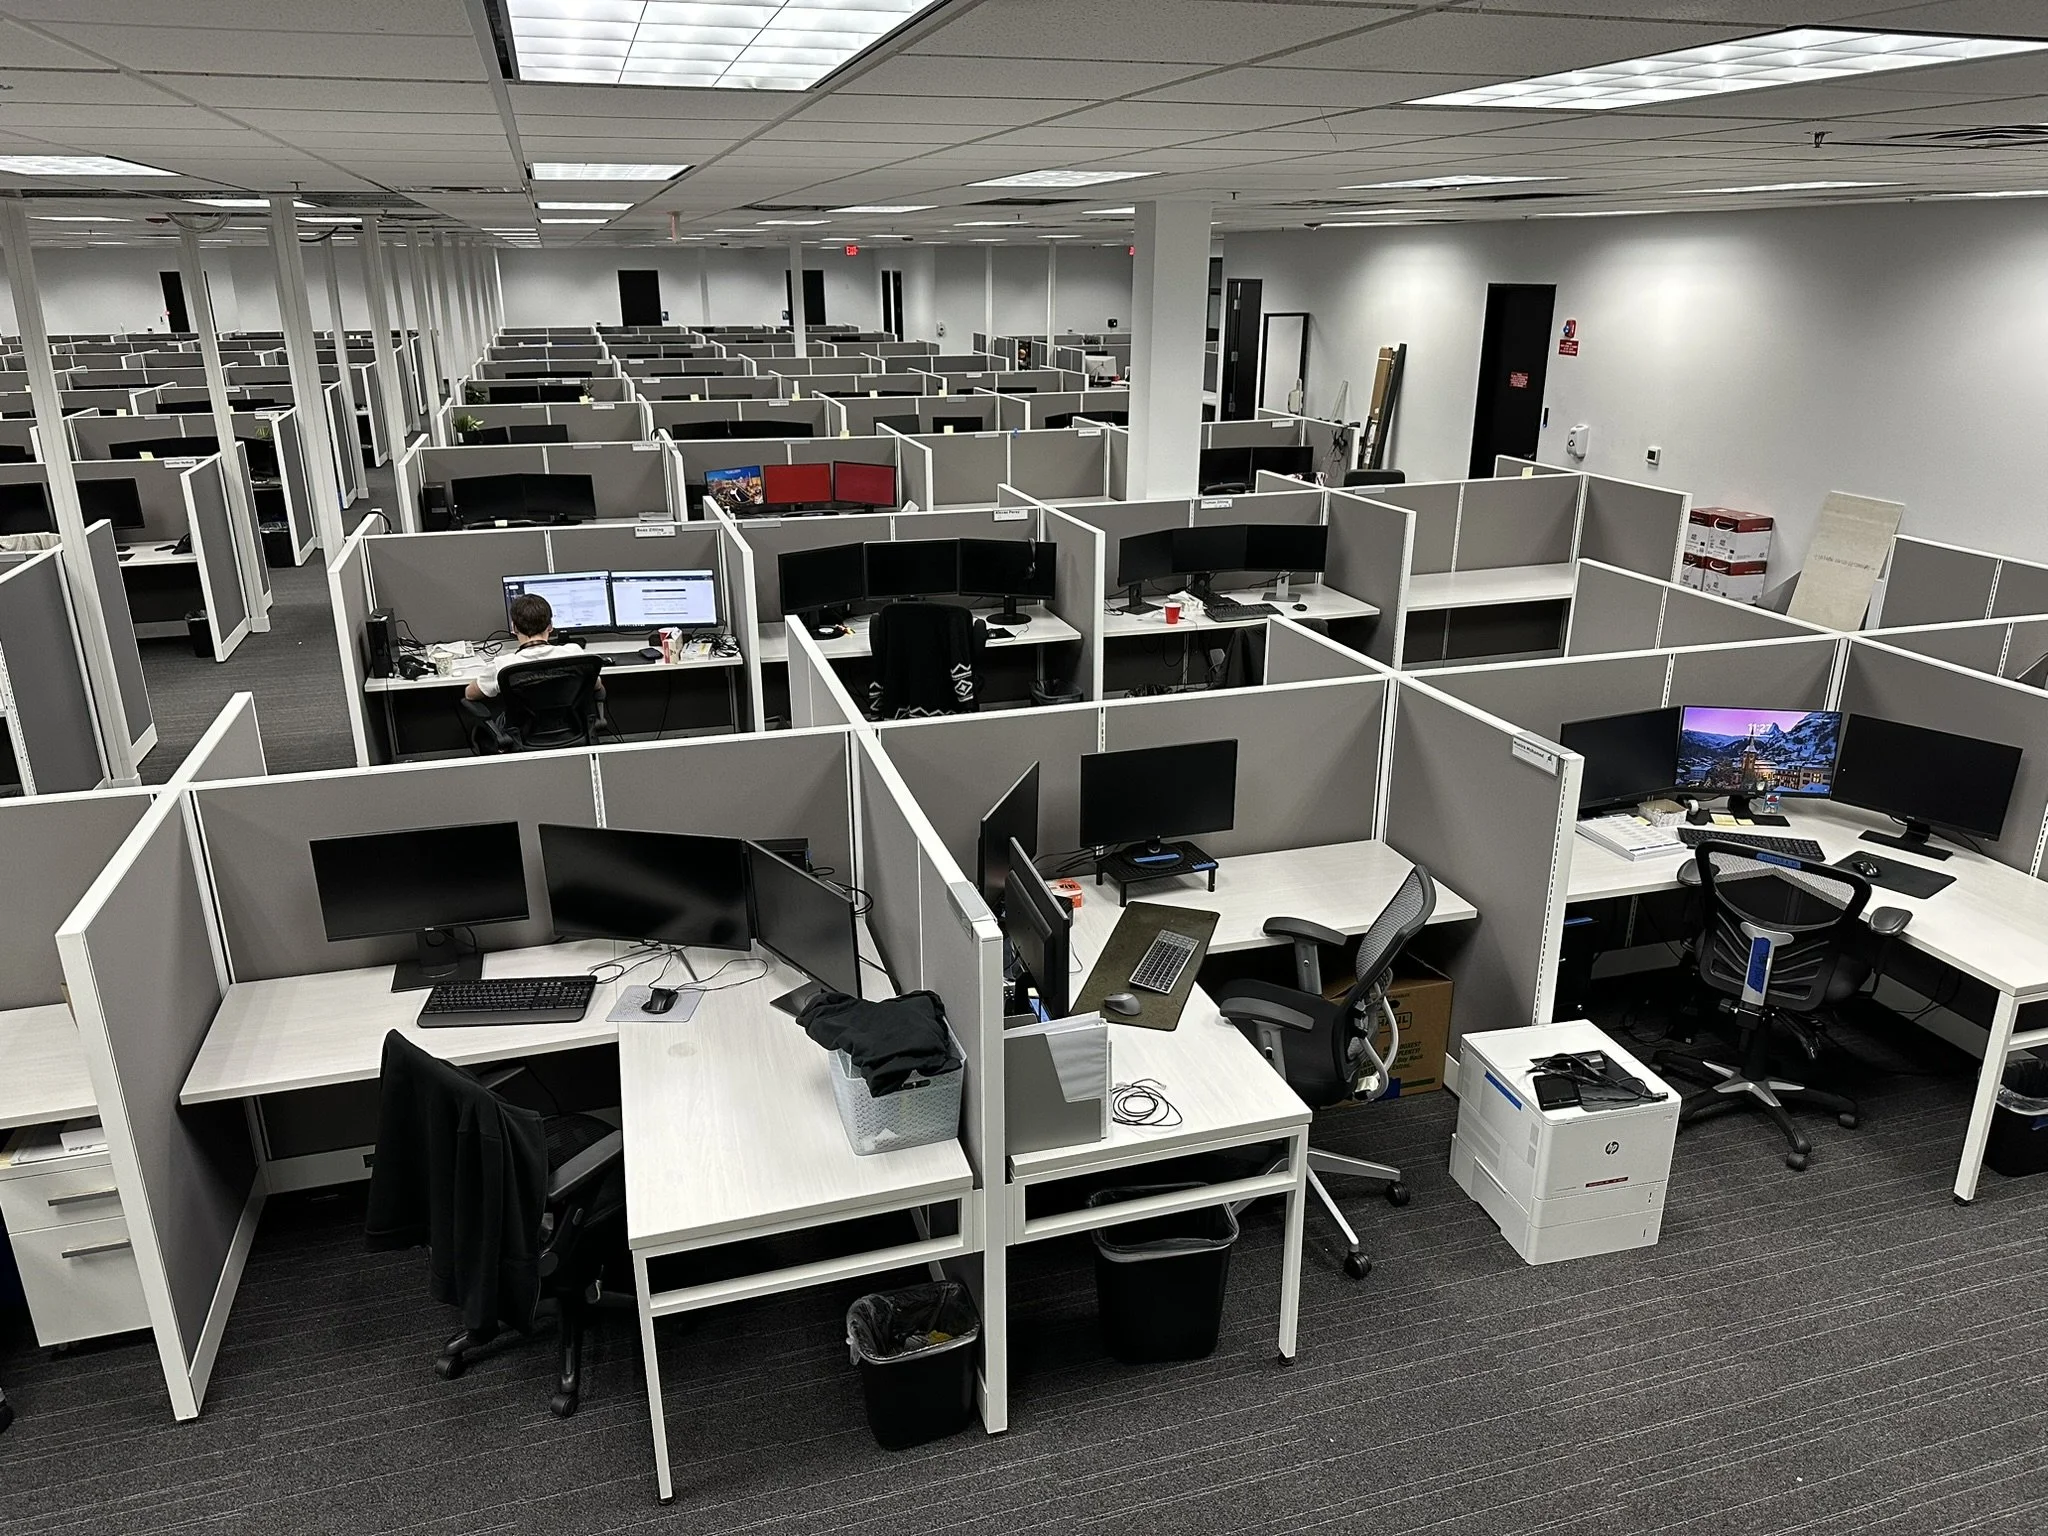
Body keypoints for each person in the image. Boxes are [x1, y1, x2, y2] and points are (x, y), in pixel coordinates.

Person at [464, 592, 582, 703]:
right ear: (550, 626)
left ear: (514, 628)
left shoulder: (502, 665)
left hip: (523, 719)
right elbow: (591, 687)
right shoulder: (574, 653)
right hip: (570, 717)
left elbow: (470, 694)